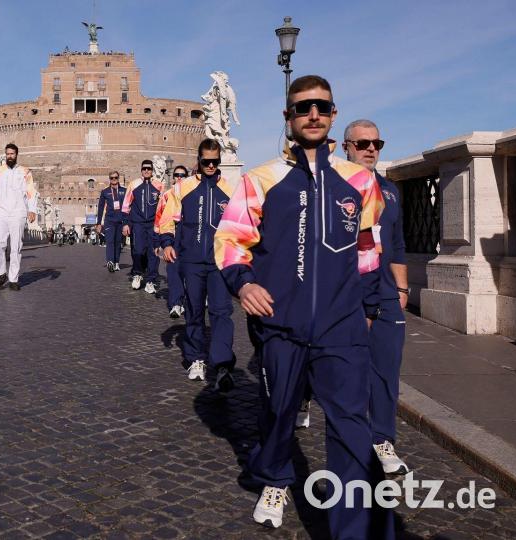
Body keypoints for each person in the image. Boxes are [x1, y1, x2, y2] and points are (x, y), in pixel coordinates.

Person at [214, 75, 392, 536]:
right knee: (278, 412)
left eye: (322, 107)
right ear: (288, 117)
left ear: (333, 115)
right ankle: (275, 475)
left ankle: (350, 530)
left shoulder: (360, 181)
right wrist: (243, 283)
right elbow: (231, 238)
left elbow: (369, 246)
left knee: (352, 429)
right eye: (302, 107)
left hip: (343, 327)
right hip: (280, 325)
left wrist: (368, 308)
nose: (312, 114)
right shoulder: (261, 179)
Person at [344, 118, 411, 475]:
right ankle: (350, 437)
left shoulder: (390, 191)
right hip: (345, 295)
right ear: (347, 148)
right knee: (346, 372)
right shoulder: (334, 189)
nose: (371, 149)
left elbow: (398, 245)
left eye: (377, 143)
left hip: (385, 294)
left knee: (386, 369)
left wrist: (402, 290)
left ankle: (382, 439)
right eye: (363, 143)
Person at [159, 146, 235, 388]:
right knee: (193, 311)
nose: (211, 166)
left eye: (215, 161)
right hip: (191, 260)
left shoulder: (231, 190)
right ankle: (196, 358)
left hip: (220, 262)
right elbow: (168, 218)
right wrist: (168, 243)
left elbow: (240, 225)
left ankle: (223, 365)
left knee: (222, 312)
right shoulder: (183, 187)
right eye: (206, 161)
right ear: (199, 160)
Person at [0, 143, 38, 291]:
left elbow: (31, 191)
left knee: (15, 246)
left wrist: (32, 210)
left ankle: (13, 278)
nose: (9, 156)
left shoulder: (25, 172)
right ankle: (0, 273)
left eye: (12, 154)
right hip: (1, 211)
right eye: (7, 154)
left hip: (18, 212)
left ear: (16, 155)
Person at [122, 160, 164, 293]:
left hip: (153, 224)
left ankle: (151, 280)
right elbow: (126, 205)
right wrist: (125, 224)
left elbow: (162, 206)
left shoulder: (159, 185)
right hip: (138, 223)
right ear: (141, 170)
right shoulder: (133, 184)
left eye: (149, 169)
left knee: (153, 253)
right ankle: (137, 274)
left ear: (152, 170)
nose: (146, 171)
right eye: (144, 169)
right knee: (138, 251)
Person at [156, 165, 187, 318]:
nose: (179, 177)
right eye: (177, 175)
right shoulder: (167, 195)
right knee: (173, 270)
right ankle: (176, 303)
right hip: (173, 237)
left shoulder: (192, 191)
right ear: (173, 177)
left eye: (183, 174)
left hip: (191, 237)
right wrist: (159, 242)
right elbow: (160, 216)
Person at [96, 171, 126, 272]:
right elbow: (100, 208)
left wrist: (128, 222)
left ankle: (116, 262)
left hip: (121, 220)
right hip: (109, 220)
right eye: (112, 178)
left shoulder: (124, 191)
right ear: (109, 179)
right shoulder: (105, 192)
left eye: (115, 178)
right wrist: (99, 223)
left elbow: (128, 207)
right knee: (109, 241)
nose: (114, 180)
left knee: (118, 242)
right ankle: (110, 261)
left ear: (118, 178)